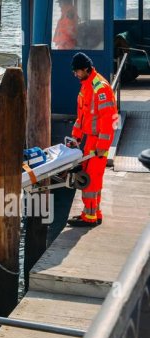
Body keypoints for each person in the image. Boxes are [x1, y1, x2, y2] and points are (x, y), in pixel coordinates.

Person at [66, 52, 116, 227]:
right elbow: (82, 116)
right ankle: (93, 212)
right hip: (89, 140)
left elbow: (108, 119)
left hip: (97, 142)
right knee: (90, 178)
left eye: (77, 71)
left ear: (86, 69)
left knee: (92, 180)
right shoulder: (87, 85)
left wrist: (102, 145)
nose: (75, 75)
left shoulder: (100, 88)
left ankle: (90, 217)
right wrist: (75, 137)